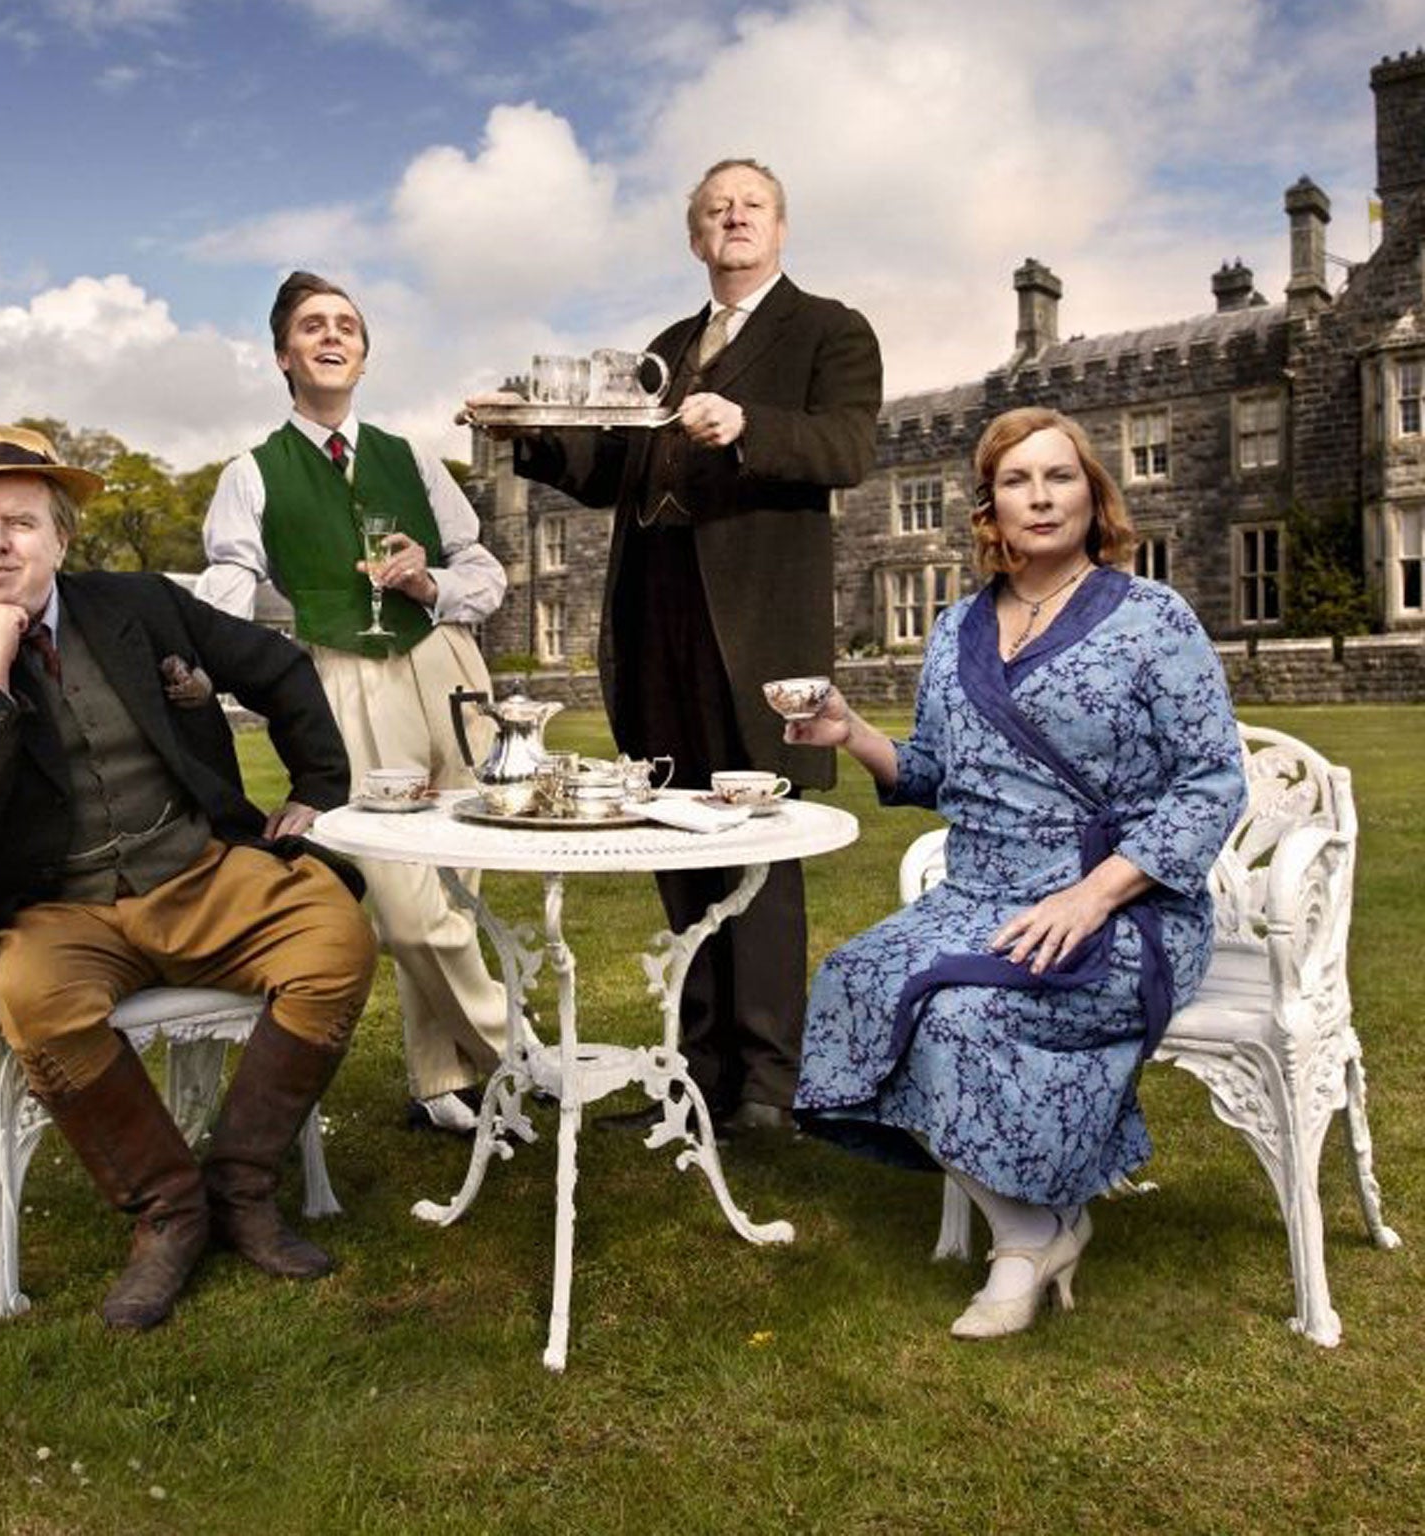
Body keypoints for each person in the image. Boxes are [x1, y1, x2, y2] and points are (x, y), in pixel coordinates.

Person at [0, 424, 377, 1333]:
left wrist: (317, 789)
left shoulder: (139, 605)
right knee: (32, 999)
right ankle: (169, 1212)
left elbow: (280, 667)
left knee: (333, 940)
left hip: (194, 867)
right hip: (55, 905)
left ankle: (243, 1185)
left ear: (61, 539)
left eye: (19, 523)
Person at [787, 407, 1247, 1339]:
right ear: (989, 506)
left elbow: (1212, 782)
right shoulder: (956, 627)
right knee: (855, 981)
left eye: (1059, 477)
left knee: (958, 1014)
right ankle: (1040, 1221)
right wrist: (854, 735)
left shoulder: (1154, 617)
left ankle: (1021, 1244)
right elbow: (938, 774)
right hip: (979, 894)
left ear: (1092, 494)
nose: (1040, 497)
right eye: (1017, 481)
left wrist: (1092, 894)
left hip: (1123, 904)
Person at [468, 158, 882, 1132]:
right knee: (677, 845)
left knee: (756, 852)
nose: (731, 218)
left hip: (754, 626)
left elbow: (847, 448)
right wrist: (522, 431)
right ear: (694, 239)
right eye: (712, 210)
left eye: (749, 205)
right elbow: (611, 461)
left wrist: (746, 426)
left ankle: (768, 1084)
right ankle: (696, 1066)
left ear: (779, 228)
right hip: (651, 616)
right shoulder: (663, 347)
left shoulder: (829, 330)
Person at [199, 271, 516, 1135]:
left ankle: (439, 1083)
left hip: (449, 667)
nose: (331, 336)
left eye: (346, 325)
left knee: (456, 889)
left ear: (365, 355)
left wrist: (430, 580)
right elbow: (231, 588)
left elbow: (483, 569)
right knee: (407, 905)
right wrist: (199, 655)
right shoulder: (252, 474)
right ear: (284, 356)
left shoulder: (411, 458)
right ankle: (519, 1058)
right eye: (311, 326)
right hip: (349, 677)